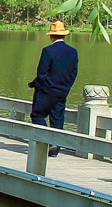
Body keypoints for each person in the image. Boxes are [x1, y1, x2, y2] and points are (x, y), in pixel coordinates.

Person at [28, 20, 78, 156]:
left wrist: (36, 85)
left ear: (51, 36)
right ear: (64, 36)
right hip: (62, 91)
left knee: (37, 115)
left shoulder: (48, 51)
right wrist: (66, 86)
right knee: (57, 119)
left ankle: (47, 142)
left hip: (46, 91)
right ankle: (55, 150)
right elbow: (73, 73)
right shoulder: (73, 52)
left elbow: (42, 73)